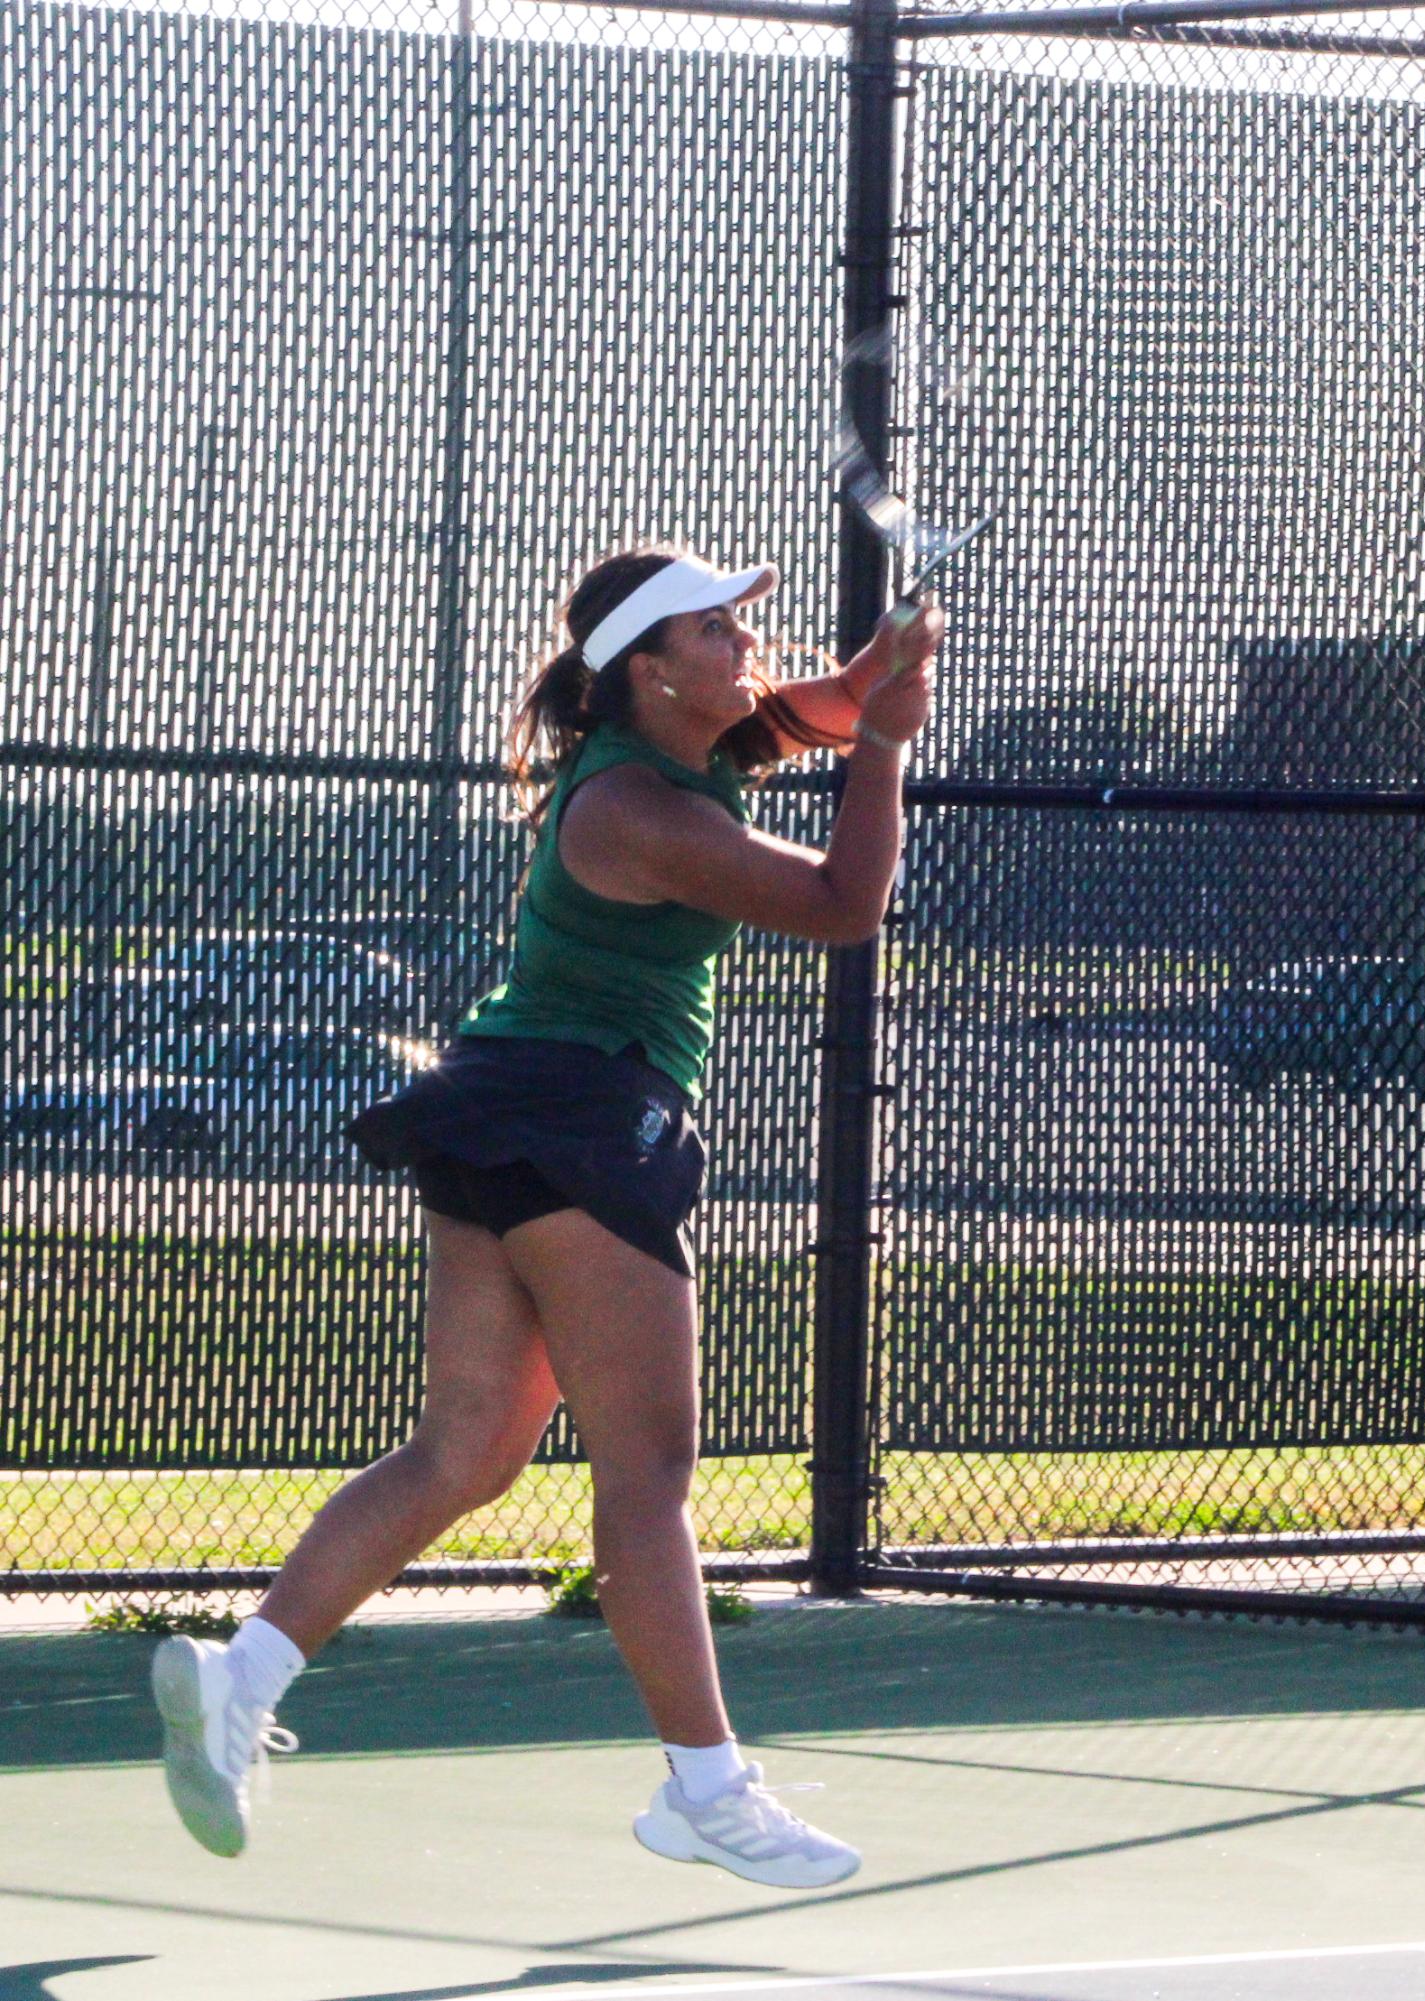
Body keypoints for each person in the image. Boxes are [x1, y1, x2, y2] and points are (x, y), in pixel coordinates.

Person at [151, 543, 942, 1888]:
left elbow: (800, 708)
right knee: (649, 1476)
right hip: (583, 1120)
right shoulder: (642, 806)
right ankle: (707, 1790)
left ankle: (243, 1673)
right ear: (647, 671)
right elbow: (842, 903)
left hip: (496, 1112)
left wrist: (875, 675)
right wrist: (886, 745)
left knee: (462, 1452)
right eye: (710, 630)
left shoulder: (674, 751)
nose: (741, 641)